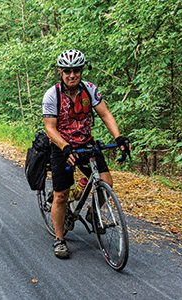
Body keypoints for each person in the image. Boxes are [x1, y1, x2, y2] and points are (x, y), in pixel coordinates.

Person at [42, 49, 130, 259]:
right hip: (62, 147)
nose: (72, 75)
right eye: (68, 71)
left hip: (86, 144)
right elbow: (50, 128)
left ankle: (93, 213)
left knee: (106, 181)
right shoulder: (52, 94)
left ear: (81, 71)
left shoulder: (89, 90)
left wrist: (119, 138)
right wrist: (65, 147)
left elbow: (106, 114)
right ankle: (60, 239)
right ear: (61, 72)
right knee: (61, 195)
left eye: (77, 70)